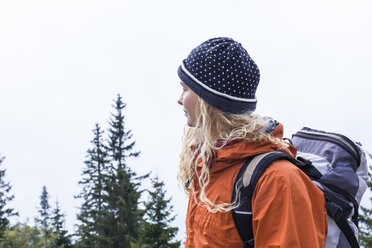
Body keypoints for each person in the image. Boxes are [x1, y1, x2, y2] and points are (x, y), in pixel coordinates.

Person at [176, 37, 328, 248]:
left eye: (185, 89)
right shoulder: (210, 166)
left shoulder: (278, 179)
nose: (179, 99)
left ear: (208, 100)